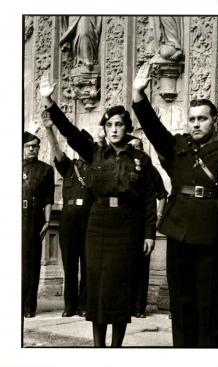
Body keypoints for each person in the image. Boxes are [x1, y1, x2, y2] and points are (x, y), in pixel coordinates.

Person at [131, 63, 218, 347]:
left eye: (202, 118)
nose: (196, 124)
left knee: (212, 302)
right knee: (181, 301)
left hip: (216, 232)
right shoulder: (178, 145)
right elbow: (153, 129)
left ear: (214, 120)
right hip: (180, 231)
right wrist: (139, 95)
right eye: (192, 119)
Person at [39, 72, 157, 347]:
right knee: (98, 286)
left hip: (127, 226)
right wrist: (49, 101)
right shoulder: (93, 152)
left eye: (119, 125)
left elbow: (149, 197)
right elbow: (68, 130)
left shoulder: (140, 158)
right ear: (104, 129)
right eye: (110, 125)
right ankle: (98, 346)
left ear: (127, 128)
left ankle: (116, 346)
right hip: (98, 224)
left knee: (119, 288)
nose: (114, 129)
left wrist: (149, 233)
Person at [41, 111, 91, 318]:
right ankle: (69, 306)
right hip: (69, 219)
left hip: (89, 218)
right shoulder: (70, 166)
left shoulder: (98, 169)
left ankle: (84, 304)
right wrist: (49, 129)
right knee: (70, 265)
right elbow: (56, 151)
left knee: (87, 265)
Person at [128, 137, 168, 318]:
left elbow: (162, 195)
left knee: (142, 267)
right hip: (125, 224)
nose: (137, 151)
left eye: (139, 147)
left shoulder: (151, 170)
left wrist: (158, 217)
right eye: (133, 148)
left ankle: (139, 307)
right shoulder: (122, 167)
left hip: (143, 224)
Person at [22, 131, 55, 318]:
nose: (32, 149)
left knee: (32, 263)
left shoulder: (46, 170)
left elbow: (49, 198)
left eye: (35, 146)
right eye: (29, 146)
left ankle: (29, 307)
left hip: (35, 218)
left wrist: (48, 221)